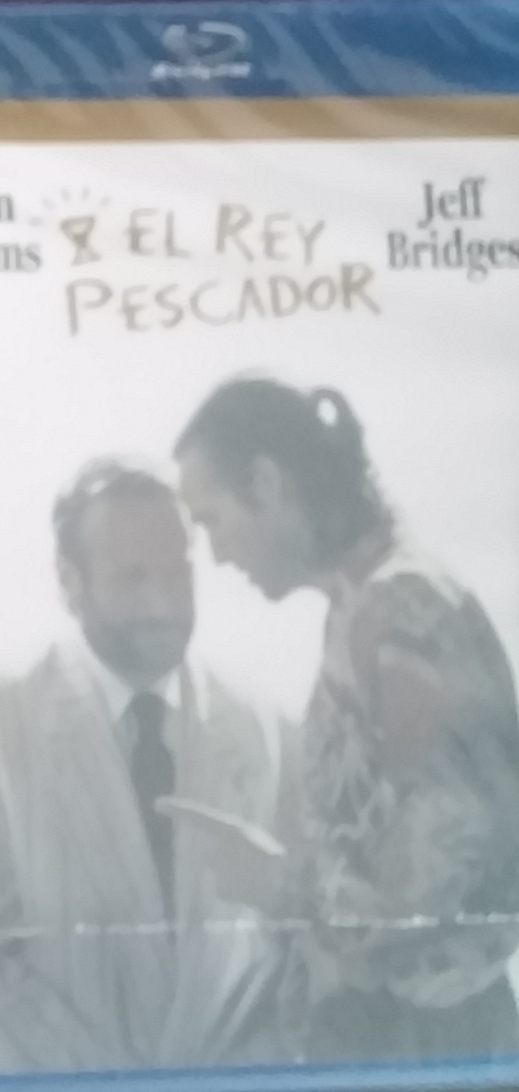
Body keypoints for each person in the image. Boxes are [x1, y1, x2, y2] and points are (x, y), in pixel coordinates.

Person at [174, 378, 519, 1063]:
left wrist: (273, 880)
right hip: (400, 1035)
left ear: (266, 484)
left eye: (210, 520)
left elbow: (427, 884)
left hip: (433, 1043)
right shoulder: (362, 607)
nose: (214, 554)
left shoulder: (405, 608)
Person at [0, 457, 284, 1072]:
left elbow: (286, 960)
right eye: (132, 578)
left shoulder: (260, 724)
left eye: (178, 574)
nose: (164, 603)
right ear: (69, 584)